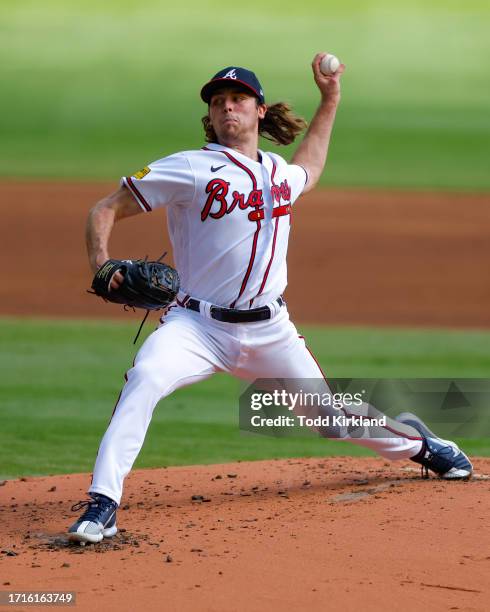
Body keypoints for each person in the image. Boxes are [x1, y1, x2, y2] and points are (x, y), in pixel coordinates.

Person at [68, 53, 473, 544]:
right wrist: (102, 265)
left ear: (259, 111)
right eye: (218, 102)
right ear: (211, 115)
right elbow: (105, 208)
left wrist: (331, 99)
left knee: (331, 421)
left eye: (238, 99)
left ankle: (419, 446)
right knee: (145, 378)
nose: (227, 108)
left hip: (270, 332)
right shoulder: (190, 168)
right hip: (196, 328)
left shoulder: (278, 173)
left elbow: (311, 166)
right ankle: (102, 503)